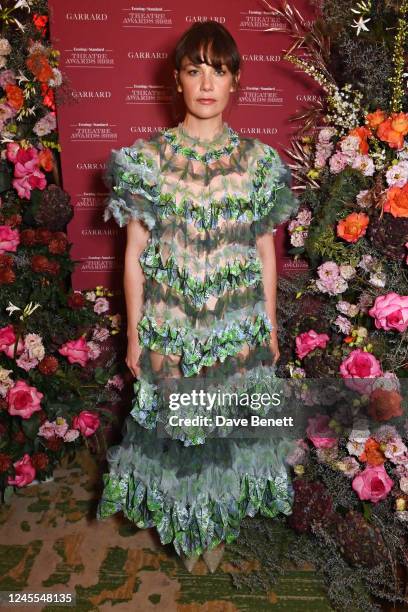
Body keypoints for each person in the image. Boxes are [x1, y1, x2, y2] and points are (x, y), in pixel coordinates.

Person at [96, 20, 300, 573]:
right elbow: (134, 257)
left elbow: (265, 251)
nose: (206, 83)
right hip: (172, 329)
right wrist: (136, 334)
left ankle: (219, 524)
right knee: (180, 436)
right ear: (177, 81)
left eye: (219, 71)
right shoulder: (148, 161)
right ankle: (189, 530)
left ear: (236, 81)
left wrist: (272, 326)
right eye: (194, 70)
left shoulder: (259, 163)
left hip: (237, 327)